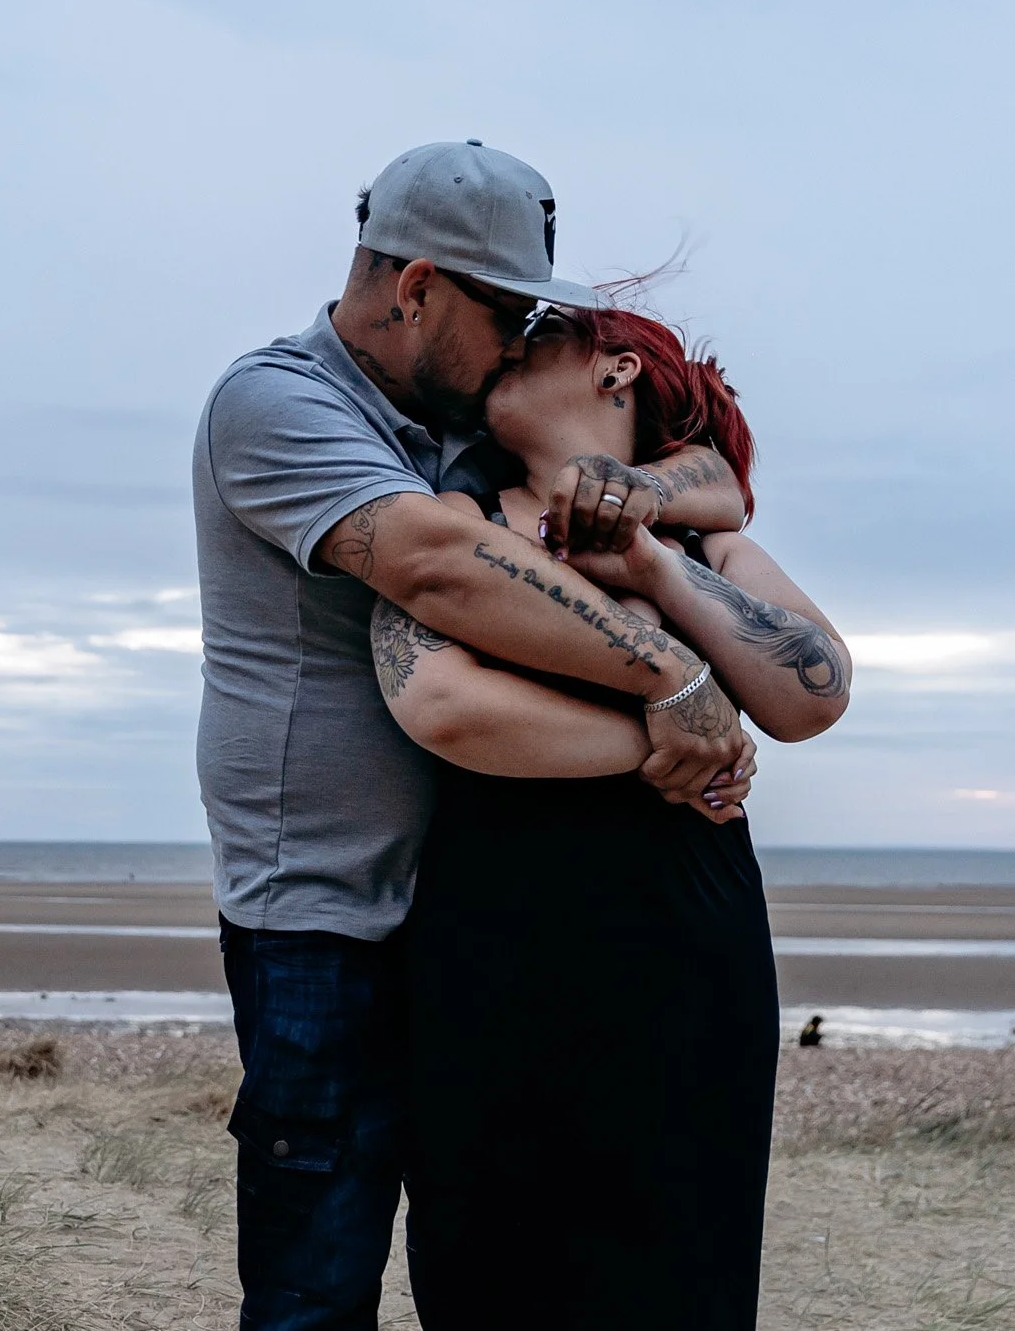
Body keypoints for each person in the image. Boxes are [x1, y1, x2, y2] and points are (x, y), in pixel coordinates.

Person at [193, 140, 754, 1329]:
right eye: (505, 314)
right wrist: (671, 692)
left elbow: (706, 465)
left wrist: (647, 500)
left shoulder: (458, 423)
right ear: (416, 287)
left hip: (468, 914)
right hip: (325, 916)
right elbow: (435, 566)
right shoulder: (275, 401)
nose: (518, 345)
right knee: (316, 1286)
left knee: (496, 1262)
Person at [371, 301, 851, 1328]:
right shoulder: (450, 521)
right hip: (491, 943)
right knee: (487, 1272)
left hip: (690, 947)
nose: (510, 337)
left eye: (543, 332)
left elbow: (810, 693)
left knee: (681, 1272)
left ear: (616, 369)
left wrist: (649, 568)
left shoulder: (698, 542)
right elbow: (443, 708)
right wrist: (677, 734)